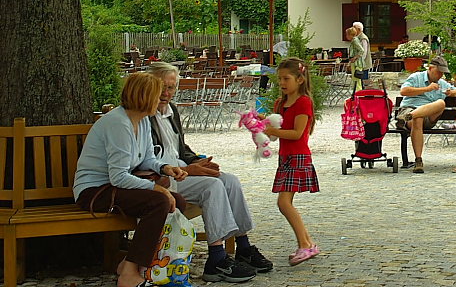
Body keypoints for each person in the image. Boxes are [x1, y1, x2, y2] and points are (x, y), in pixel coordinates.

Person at [146, 62, 270, 282]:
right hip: (162, 177)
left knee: (230, 180)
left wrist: (198, 162)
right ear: (149, 85)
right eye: (161, 87)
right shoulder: (144, 113)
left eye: (171, 87)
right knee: (212, 186)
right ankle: (216, 259)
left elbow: (179, 148)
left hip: (182, 170)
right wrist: (189, 169)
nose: (166, 93)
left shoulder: (171, 110)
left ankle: (243, 246)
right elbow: (148, 160)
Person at [73, 72, 189, 287]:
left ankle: (138, 263)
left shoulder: (142, 121)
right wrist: (158, 189)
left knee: (178, 201)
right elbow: (118, 177)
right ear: (144, 97)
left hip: (115, 187)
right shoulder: (118, 123)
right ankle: (129, 273)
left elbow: (147, 159)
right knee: (160, 201)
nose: (161, 98)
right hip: (94, 191)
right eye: (156, 95)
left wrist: (165, 168)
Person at [264, 57, 320, 266]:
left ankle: (304, 244)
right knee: (285, 202)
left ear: (300, 79)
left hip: (298, 156)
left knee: (284, 202)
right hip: (285, 157)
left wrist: (273, 130)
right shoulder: (281, 103)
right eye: (279, 79)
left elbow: (297, 133)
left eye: (286, 78)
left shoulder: (303, 102)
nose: (282, 83)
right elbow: (277, 132)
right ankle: (308, 243)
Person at [395, 56, 456, 173]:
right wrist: (426, 89)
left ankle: (413, 115)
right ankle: (418, 160)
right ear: (430, 68)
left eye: (442, 73)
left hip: (428, 117)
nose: (440, 75)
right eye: (439, 72)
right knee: (417, 119)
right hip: (409, 110)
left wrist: (452, 92)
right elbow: (403, 91)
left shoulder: (442, 83)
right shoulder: (416, 77)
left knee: (440, 103)